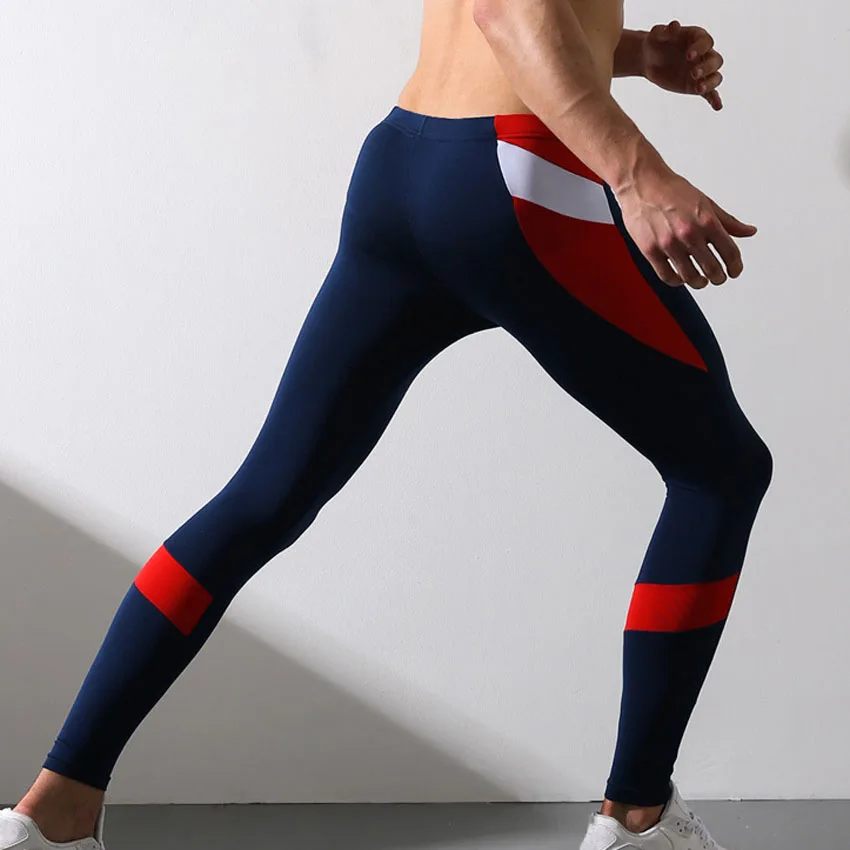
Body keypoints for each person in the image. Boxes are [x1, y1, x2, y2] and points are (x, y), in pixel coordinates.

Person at [0, 2, 772, 849]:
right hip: (517, 173)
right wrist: (636, 173)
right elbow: (509, 12)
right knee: (720, 472)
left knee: (264, 497)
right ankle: (637, 818)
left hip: (408, 163)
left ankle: (56, 808)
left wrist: (626, 54)